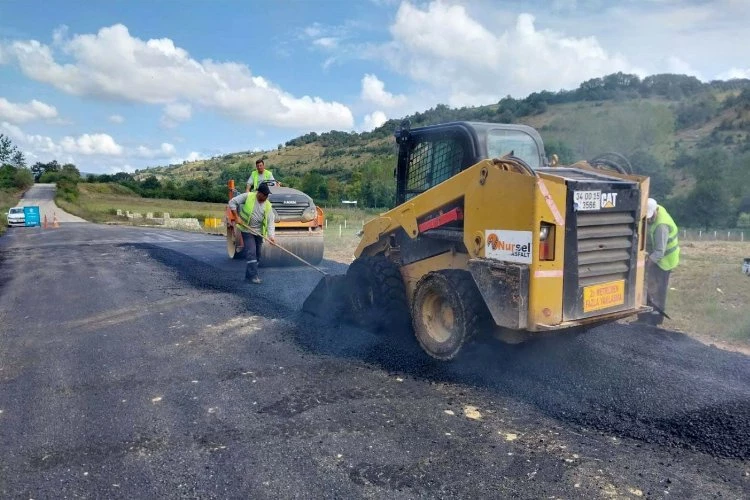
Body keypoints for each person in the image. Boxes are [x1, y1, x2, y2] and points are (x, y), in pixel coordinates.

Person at [637, 197, 680, 326]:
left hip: (665, 261)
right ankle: (645, 316)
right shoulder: (657, 208)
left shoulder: (661, 226)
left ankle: (655, 320)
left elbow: (659, 252)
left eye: (650, 217)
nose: (649, 220)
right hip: (658, 256)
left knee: (659, 290)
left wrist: (647, 264)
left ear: (655, 211)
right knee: (651, 287)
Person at [228, 182, 276, 283]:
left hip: (258, 232)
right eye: (264, 195)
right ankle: (254, 276)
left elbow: (270, 222)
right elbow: (232, 202)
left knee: (257, 255)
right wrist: (236, 217)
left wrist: (271, 236)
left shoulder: (268, 205)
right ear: (259, 193)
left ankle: (248, 277)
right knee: (251, 252)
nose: (266, 197)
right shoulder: (248, 196)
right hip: (246, 229)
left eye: (267, 195)